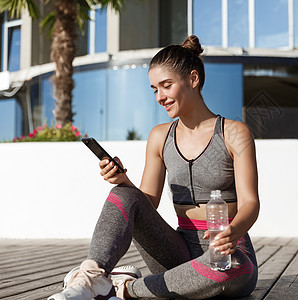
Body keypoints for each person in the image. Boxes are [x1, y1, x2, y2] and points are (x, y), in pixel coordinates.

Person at [48, 35, 260, 300]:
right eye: (154, 89)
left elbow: (251, 203)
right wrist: (123, 181)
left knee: (235, 267)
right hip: (177, 252)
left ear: (193, 79)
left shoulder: (234, 133)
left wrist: (233, 233)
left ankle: (122, 289)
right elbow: (146, 204)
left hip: (227, 252)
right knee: (124, 194)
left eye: (166, 85)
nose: (159, 96)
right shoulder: (160, 136)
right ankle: (93, 275)